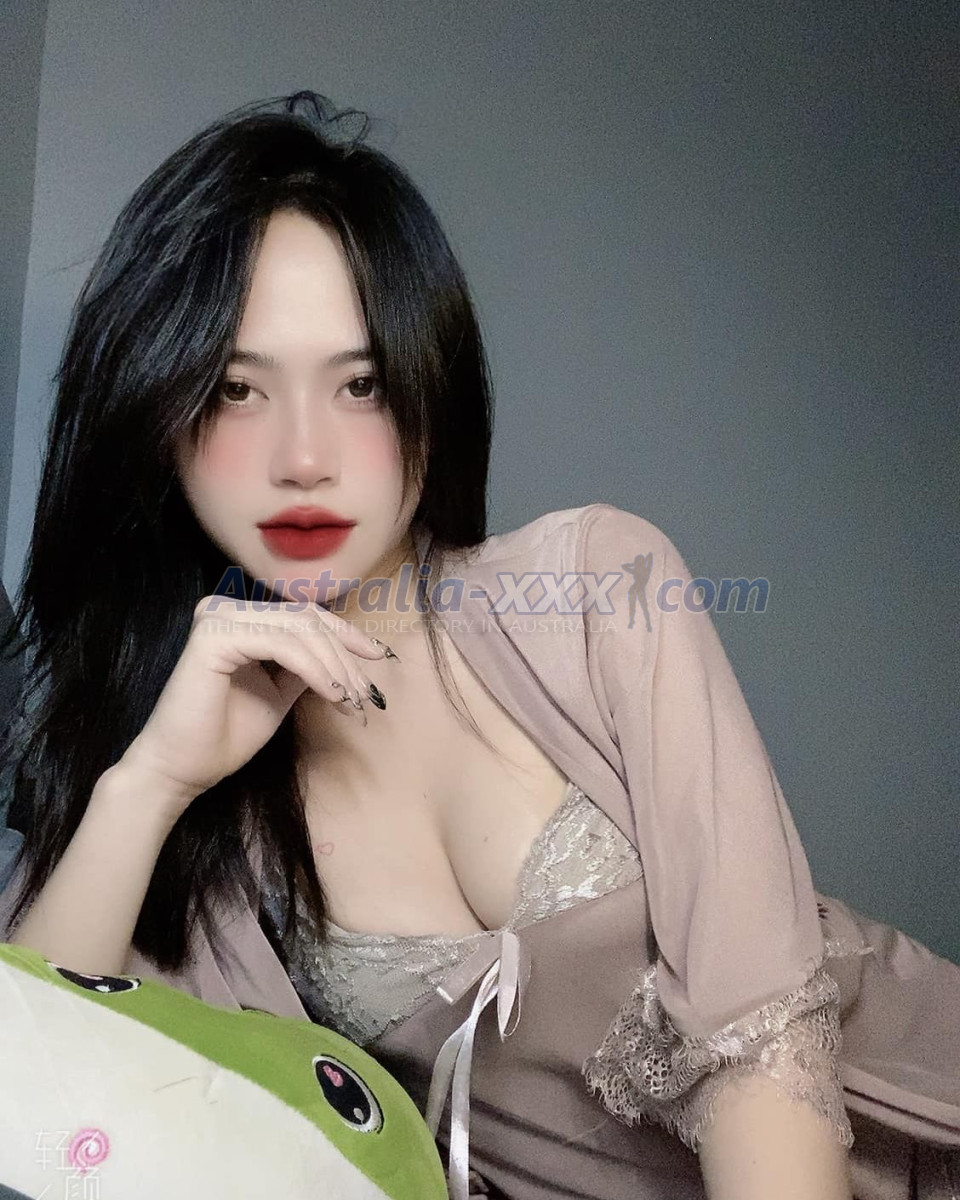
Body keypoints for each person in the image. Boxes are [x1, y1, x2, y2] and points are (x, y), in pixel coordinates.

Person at [0, 91, 957, 1200]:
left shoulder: (595, 588)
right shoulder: (225, 820)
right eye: (235, 388)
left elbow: (762, 1042)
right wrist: (154, 780)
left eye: (360, 383)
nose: (303, 456)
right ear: (160, 417)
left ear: (428, 388)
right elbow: (36, 1064)